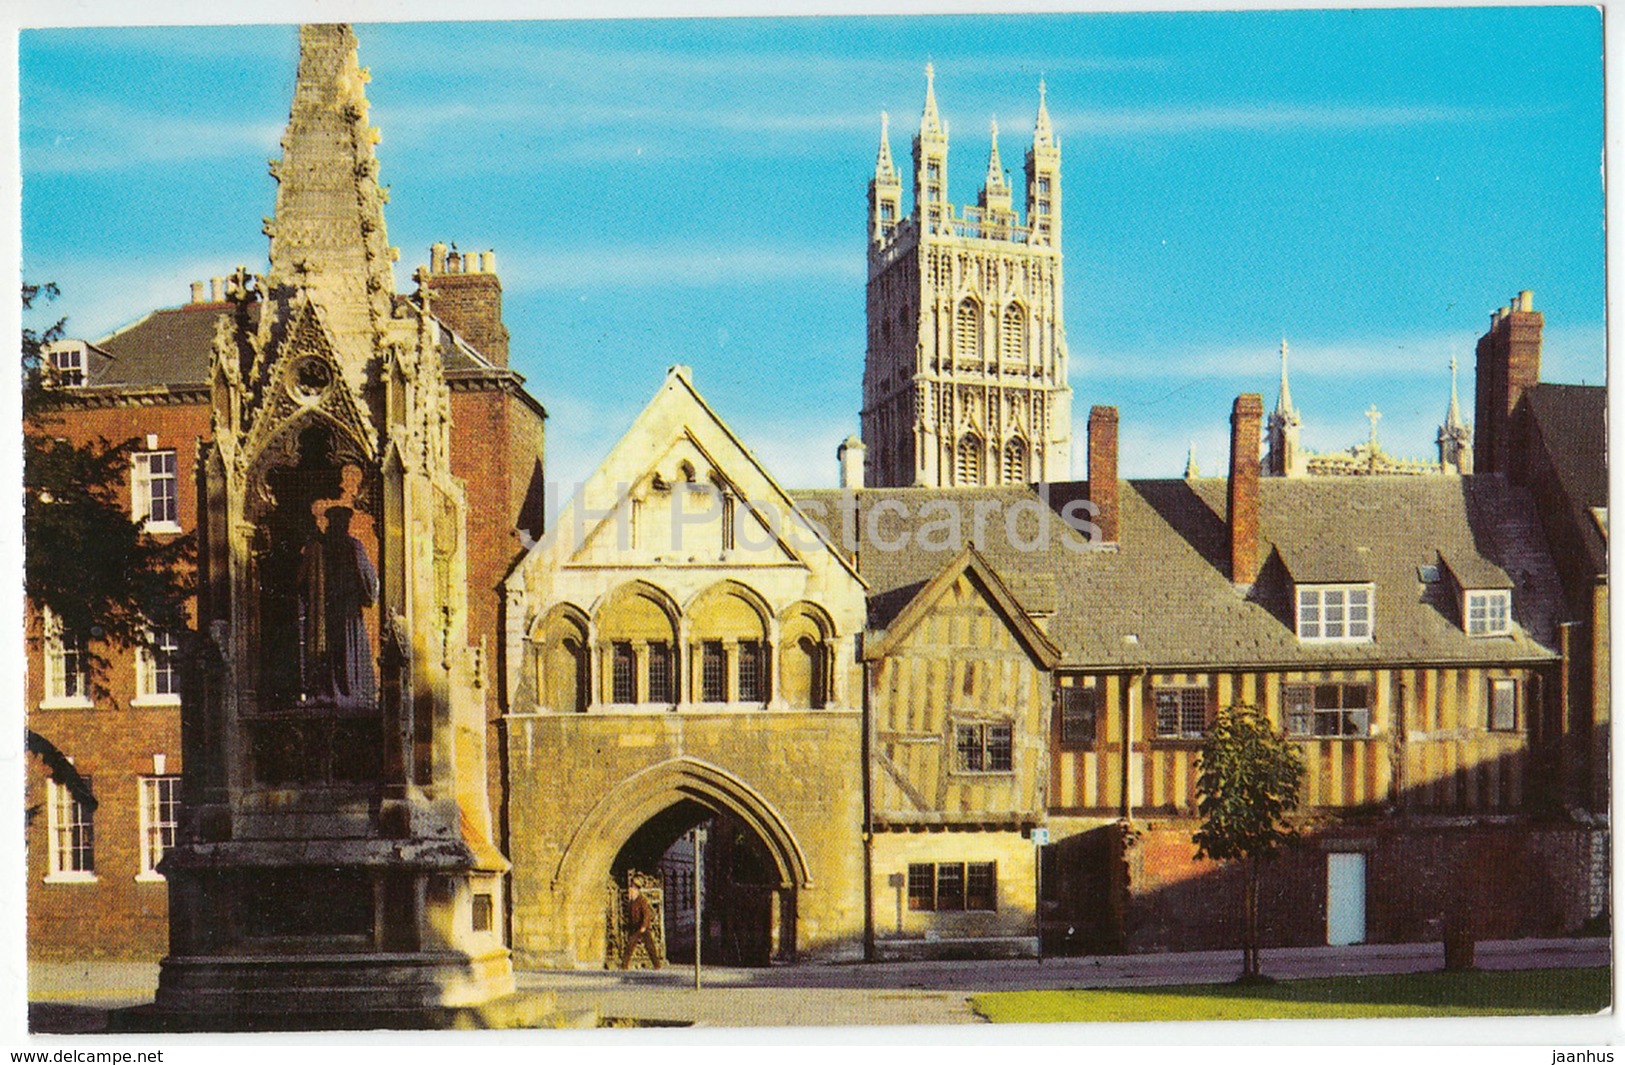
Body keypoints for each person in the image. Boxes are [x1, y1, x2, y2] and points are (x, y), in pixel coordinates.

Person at [296, 505, 378, 707]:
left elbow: (302, 583)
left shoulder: (322, 546)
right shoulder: (349, 545)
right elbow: (368, 578)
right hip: (343, 608)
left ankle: (336, 691)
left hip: (332, 608)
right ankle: (348, 691)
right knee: (341, 648)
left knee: (335, 647)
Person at [619, 882, 661, 970]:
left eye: (632, 890)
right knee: (630, 945)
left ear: (636, 891)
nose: (630, 892)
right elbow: (630, 915)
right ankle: (624, 965)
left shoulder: (641, 900)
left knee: (650, 946)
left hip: (642, 926)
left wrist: (644, 926)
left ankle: (657, 965)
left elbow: (646, 914)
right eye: (630, 890)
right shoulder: (631, 901)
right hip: (635, 927)